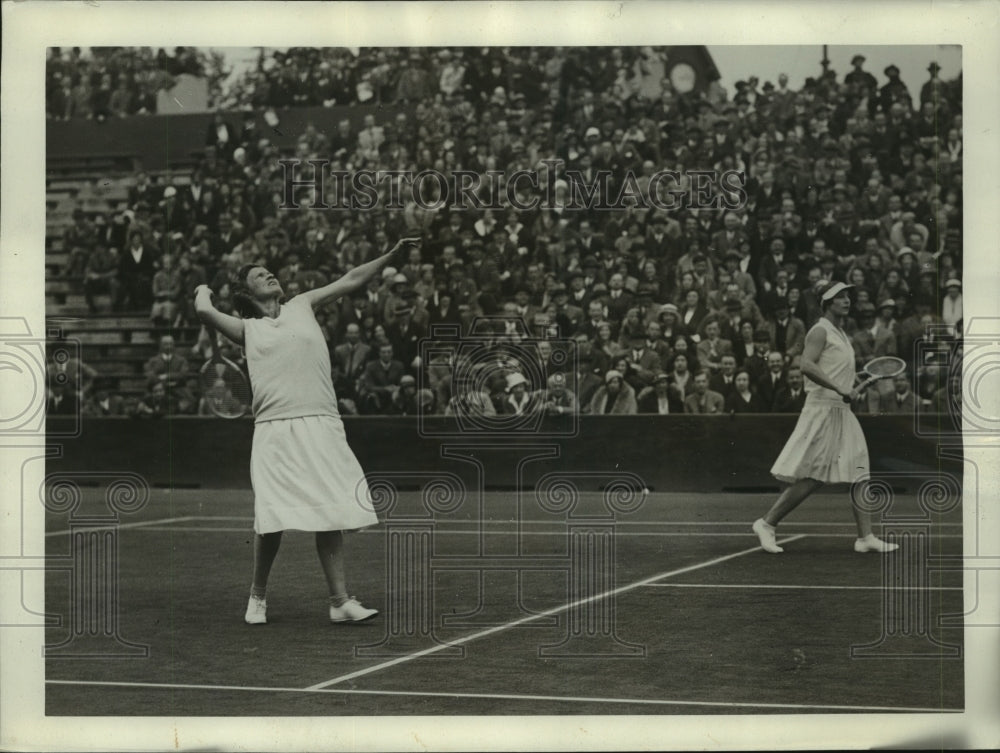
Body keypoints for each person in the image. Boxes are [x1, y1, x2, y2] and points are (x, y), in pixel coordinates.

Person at [193, 235, 422, 626]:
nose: (270, 275)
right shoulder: (245, 328)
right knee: (272, 519)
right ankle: (257, 597)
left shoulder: (302, 304)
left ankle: (339, 601)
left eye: (270, 272)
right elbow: (203, 309)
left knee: (331, 511)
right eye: (260, 275)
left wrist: (392, 255)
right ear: (247, 293)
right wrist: (203, 289)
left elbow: (352, 278)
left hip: (323, 424)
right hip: (275, 431)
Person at [752, 281, 899, 555]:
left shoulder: (841, 333)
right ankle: (766, 523)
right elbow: (805, 364)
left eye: (847, 296)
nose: (847, 300)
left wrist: (853, 382)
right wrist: (838, 387)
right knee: (812, 476)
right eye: (841, 297)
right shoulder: (819, 330)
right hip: (821, 410)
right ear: (828, 302)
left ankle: (865, 537)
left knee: (859, 470)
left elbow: (834, 372)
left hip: (841, 411)